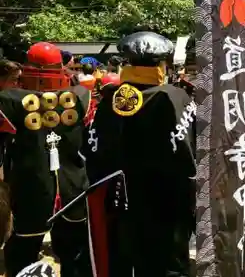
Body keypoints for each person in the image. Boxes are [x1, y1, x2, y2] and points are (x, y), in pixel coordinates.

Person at [82, 32, 196, 277]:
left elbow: (94, 150)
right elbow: (187, 155)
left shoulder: (111, 99)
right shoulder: (174, 96)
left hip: (119, 200)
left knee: (123, 262)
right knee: (166, 266)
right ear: (161, 64)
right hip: (166, 202)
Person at [0, 42, 92, 277]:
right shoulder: (81, 95)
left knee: (23, 250)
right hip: (73, 186)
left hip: (31, 186)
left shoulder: (9, 100)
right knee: (74, 252)